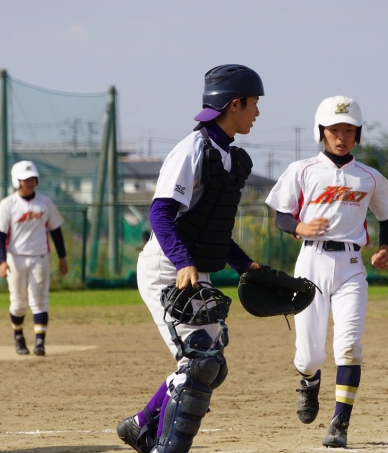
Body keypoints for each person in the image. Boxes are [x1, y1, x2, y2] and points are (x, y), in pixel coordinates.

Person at [116, 64, 264, 453]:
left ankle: (141, 424)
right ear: (235, 104)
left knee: (212, 366)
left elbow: (209, 227)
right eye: (254, 103)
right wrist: (183, 262)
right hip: (168, 266)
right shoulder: (192, 149)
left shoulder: (227, 156)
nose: (257, 112)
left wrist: (244, 264)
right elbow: (161, 214)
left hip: (192, 270)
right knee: (200, 362)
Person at [265, 95, 388, 448]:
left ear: (358, 134)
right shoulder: (303, 170)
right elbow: (280, 215)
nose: (342, 136)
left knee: (349, 345)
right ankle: (309, 380)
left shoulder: (370, 178)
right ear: (321, 131)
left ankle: (340, 423)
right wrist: (300, 227)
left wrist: (385, 248)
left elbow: (387, 219)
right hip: (311, 263)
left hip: (352, 268)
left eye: (349, 130)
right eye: (335, 129)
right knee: (309, 356)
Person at [0, 160, 68, 356]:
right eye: (26, 179)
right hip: (15, 258)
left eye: (33, 178)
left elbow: (56, 231)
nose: (30, 182)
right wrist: (1, 261)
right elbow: (0, 236)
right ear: (17, 181)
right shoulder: (8, 204)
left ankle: (40, 342)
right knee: (18, 303)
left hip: (39, 257)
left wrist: (62, 257)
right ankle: (19, 337)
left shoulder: (45, 203)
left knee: (40, 301)